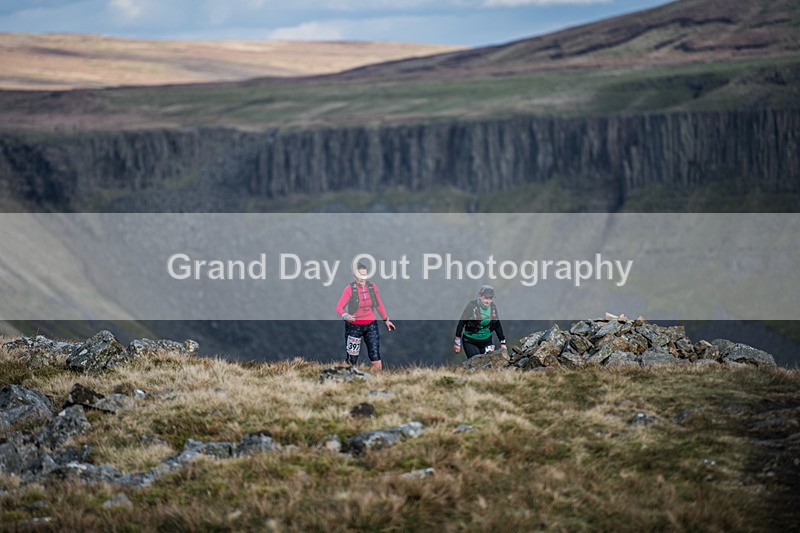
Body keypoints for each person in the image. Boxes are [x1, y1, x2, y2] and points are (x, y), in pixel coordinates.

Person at [336, 262, 395, 371]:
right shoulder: (349, 289)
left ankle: (374, 382)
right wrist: (345, 315)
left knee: (375, 357)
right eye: (359, 275)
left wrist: (386, 320)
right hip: (354, 327)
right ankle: (346, 380)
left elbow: (378, 304)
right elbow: (339, 307)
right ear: (354, 276)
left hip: (371, 325)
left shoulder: (372, 287)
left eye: (364, 275)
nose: (362, 278)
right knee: (351, 360)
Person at [453, 284, 506, 358]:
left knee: (487, 364)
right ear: (480, 296)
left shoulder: (493, 308)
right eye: (486, 298)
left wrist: (502, 342)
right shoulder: (471, 306)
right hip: (470, 341)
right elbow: (461, 323)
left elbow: (497, 324)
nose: (488, 301)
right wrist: (457, 343)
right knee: (476, 364)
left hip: (487, 341)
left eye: (490, 298)